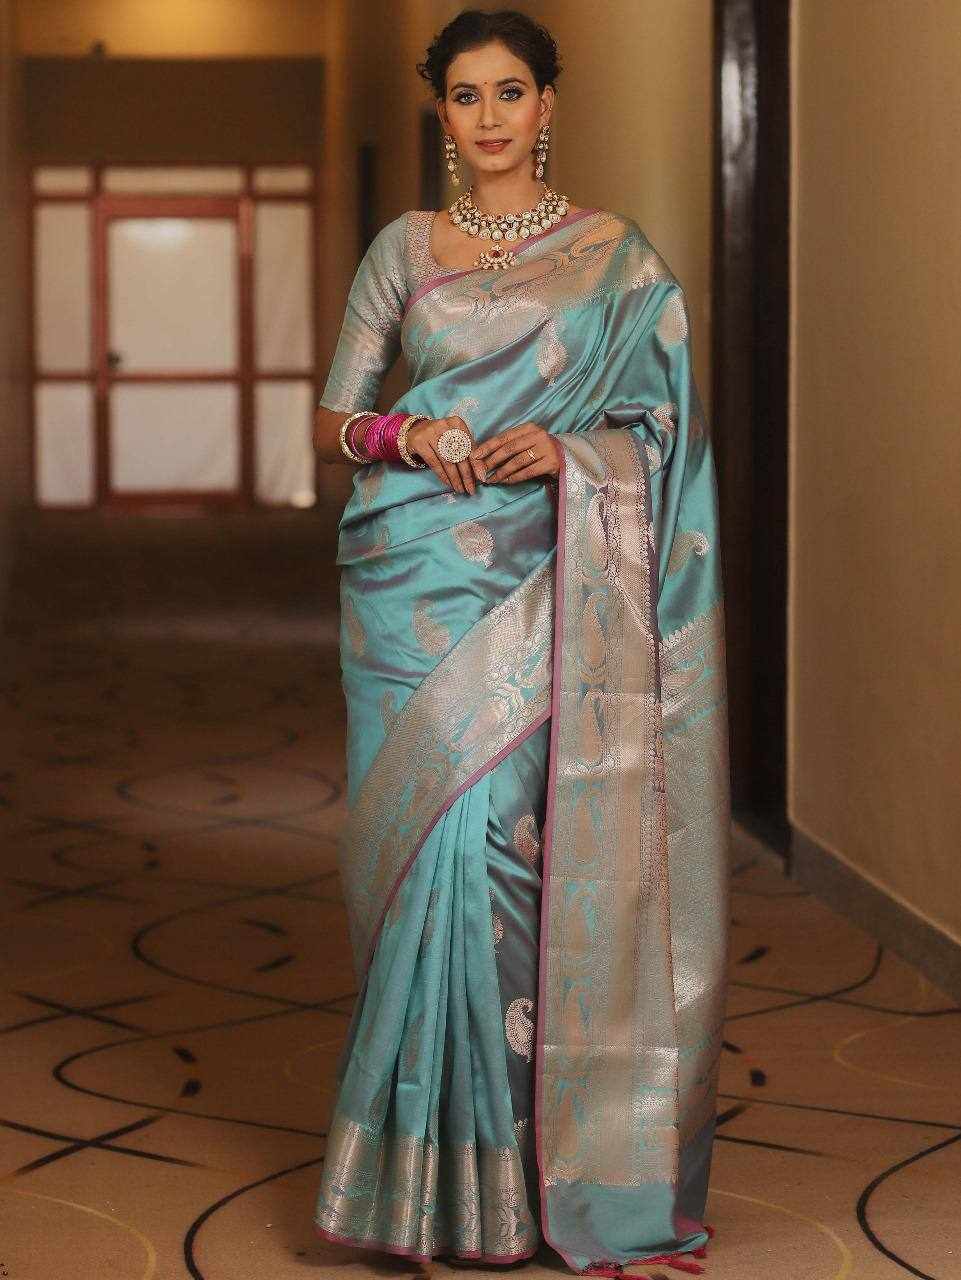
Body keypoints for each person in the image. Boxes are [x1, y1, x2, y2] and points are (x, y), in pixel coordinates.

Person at [310, 9, 731, 1277]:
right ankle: (419, 1187)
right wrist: (408, 434)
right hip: (410, 586)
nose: (488, 116)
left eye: (509, 91)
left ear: (548, 104)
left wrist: (569, 448)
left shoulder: (615, 260)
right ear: (440, 113)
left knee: (508, 843)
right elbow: (335, 415)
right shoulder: (402, 249)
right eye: (464, 95)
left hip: (554, 579)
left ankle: (517, 1170)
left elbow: (665, 429)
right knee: (419, 862)